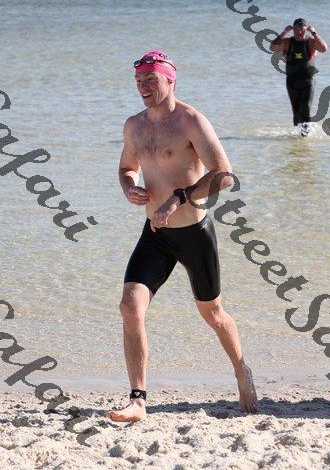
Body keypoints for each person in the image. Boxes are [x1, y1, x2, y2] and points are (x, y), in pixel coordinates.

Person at [107, 50, 258, 423]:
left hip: (194, 233)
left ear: (170, 79)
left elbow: (224, 175)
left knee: (213, 314)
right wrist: (129, 186)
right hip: (155, 234)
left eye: (150, 80)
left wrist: (179, 197)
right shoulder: (134, 126)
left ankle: (241, 369)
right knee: (130, 306)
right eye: (138, 81)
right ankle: (138, 400)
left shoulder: (191, 121)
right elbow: (127, 167)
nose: (143, 87)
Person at [270, 18, 328, 137]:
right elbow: (272, 48)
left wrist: (314, 32)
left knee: (305, 108)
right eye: (296, 29)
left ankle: (305, 136)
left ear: (306, 30)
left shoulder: (310, 42)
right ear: (293, 29)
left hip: (308, 81)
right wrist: (284, 32)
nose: (299, 32)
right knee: (296, 111)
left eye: (302, 30)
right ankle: (298, 137)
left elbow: (324, 48)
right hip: (292, 81)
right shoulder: (287, 42)